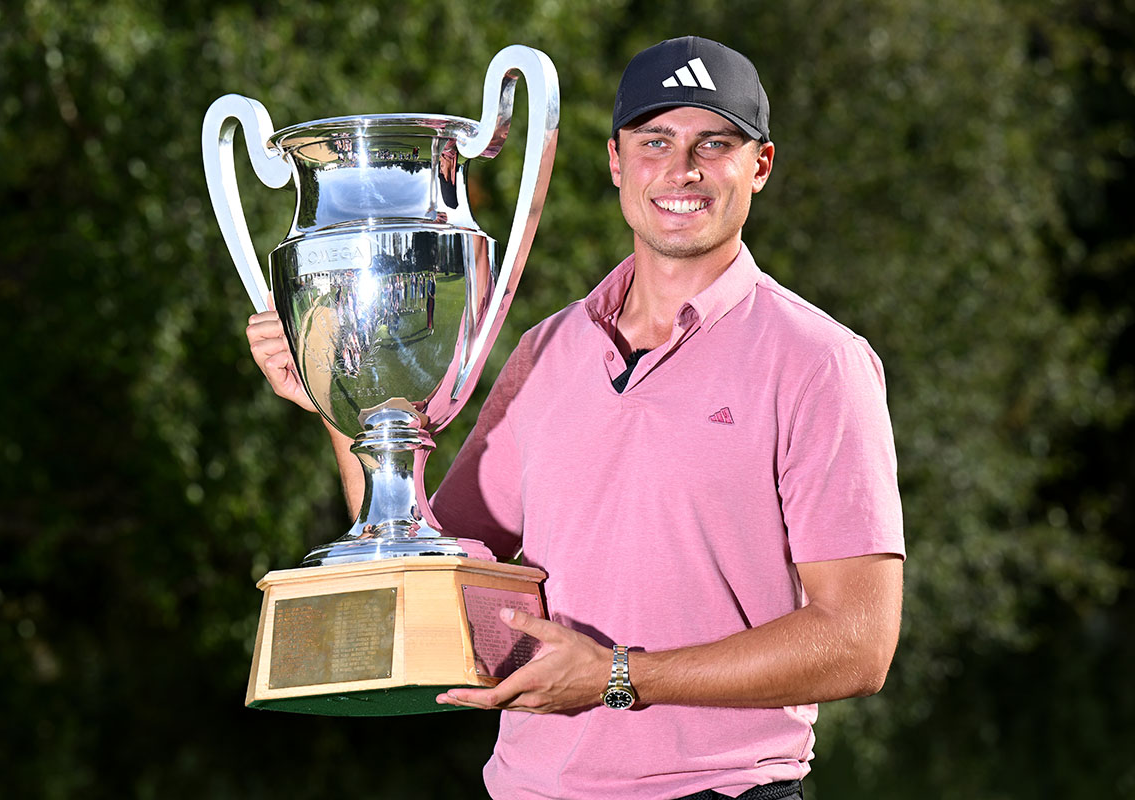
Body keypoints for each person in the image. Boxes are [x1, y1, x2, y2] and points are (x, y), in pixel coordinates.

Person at [247, 36, 904, 800]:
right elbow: (425, 566)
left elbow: (859, 643)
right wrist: (338, 390)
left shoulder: (819, 360)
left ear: (759, 165)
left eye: (713, 144)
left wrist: (620, 677)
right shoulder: (548, 350)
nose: (682, 170)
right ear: (617, 162)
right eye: (655, 141)